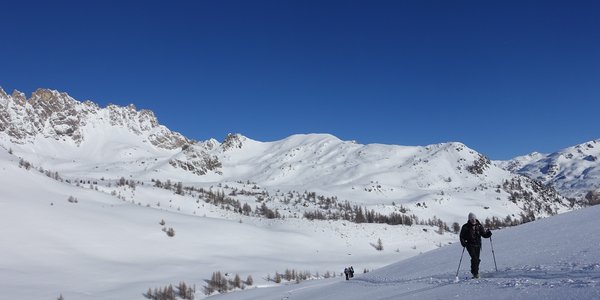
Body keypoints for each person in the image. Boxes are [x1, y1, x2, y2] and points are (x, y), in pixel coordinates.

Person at [459, 212, 492, 278]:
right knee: (474, 258)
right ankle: (475, 273)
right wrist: (463, 242)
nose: (473, 220)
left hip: (478, 245)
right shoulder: (465, 227)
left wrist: (488, 234)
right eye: (471, 219)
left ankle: (474, 271)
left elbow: (484, 234)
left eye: (474, 219)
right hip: (469, 245)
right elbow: (461, 236)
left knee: (477, 259)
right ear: (469, 219)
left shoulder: (479, 226)